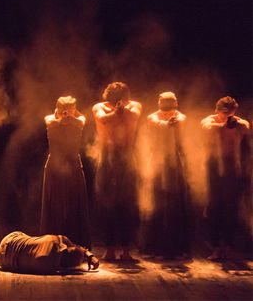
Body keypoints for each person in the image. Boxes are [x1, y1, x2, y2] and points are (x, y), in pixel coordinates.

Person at [92, 82, 142, 261]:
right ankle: (111, 248)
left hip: (126, 156)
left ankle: (127, 249)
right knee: (107, 203)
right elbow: (103, 119)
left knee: (128, 204)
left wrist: (122, 109)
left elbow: (134, 115)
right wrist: (116, 111)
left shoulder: (134, 106)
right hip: (107, 157)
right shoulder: (99, 107)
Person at [201, 96, 251, 260]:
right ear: (216, 110)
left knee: (232, 210)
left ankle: (228, 247)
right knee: (213, 209)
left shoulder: (240, 123)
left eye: (229, 113)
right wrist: (224, 125)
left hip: (232, 169)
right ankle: (216, 248)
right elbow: (207, 127)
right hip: (214, 168)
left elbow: (245, 127)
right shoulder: (209, 121)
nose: (226, 116)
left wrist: (231, 124)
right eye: (223, 113)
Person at [40, 96, 91, 249]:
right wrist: (63, 118)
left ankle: (76, 242)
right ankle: (53, 242)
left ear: (75, 109)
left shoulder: (80, 118)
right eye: (63, 108)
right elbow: (52, 122)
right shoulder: (49, 118)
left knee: (74, 201)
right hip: (55, 164)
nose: (66, 111)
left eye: (70, 108)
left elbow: (80, 121)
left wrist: (70, 117)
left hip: (73, 163)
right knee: (54, 202)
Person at [145, 92, 191, 260]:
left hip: (174, 163)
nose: (167, 110)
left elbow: (180, 123)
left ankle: (177, 247)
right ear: (159, 104)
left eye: (169, 106)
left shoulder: (181, 117)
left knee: (176, 205)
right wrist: (166, 123)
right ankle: (157, 247)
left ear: (175, 105)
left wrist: (170, 122)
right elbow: (157, 124)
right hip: (157, 161)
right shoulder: (152, 117)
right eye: (164, 106)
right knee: (158, 203)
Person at [0, 231, 98, 274]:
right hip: (3, 261)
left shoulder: (55, 240)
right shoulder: (49, 268)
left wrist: (89, 255)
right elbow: (65, 266)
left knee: (26, 243)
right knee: (22, 257)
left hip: (11, 239)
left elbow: (73, 246)